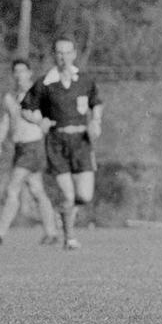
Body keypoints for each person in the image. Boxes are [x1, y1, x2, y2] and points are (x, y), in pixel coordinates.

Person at [20, 38, 102, 251]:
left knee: (84, 196)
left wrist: (95, 121)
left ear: (74, 54)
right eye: (59, 53)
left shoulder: (84, 81)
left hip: (81, 142)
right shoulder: (46, 83)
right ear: (54, 55)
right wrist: (39, 120)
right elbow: (25, 108)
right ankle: (69, 237)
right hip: (57, 142)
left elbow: (97, 103)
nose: (63, 57)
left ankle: (64, 215)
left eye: (67, 52)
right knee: (67, 194)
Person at [0, 59, 60, 246]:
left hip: (34, 146)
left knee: (12, 188)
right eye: (16, 71)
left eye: (22, 71)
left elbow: (46, 118)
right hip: (20, 148)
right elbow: (6, 121)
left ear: (29, 73)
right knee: (37, 190)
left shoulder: (38, 94)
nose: (19, 75)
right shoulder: (10, 97)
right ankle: (52, 232)